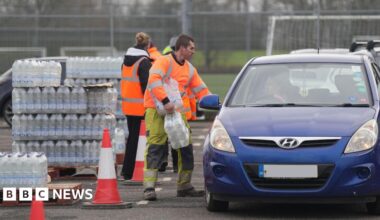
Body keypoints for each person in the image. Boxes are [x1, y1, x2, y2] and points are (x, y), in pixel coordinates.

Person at [143, 34, 210, 201]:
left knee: (185, 147)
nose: (194, 52)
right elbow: (153, 80)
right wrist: (165, 101)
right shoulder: (164, 61)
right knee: (155, 147)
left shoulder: (189, 69)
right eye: (191, 48)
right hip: (156, 109)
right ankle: (149, 188)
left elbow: (201, 90)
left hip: (176, 112)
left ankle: (184, 186)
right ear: (182, 48)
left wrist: (216, 103)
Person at [120, 32, 152, 181]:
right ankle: (130, 172)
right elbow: (146, 86)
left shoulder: (126, 60)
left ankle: (128, 171)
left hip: (128, 106)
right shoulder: (144, 62)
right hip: (141, 107)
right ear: (147, 45)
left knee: (132, 139)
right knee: (139, 140)